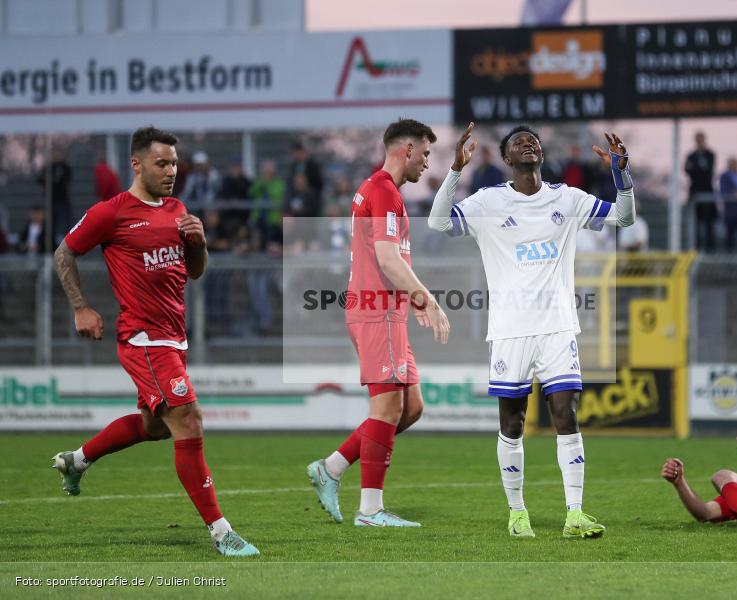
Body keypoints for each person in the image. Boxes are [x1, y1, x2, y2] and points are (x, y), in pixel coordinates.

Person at [51, 126, 258, 557]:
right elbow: (64, 253)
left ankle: (78, 459)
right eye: (162, 163)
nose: (171, 171)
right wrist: (80, 307)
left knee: (154, 426)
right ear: (137, 163)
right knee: (189, 420)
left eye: (175, 164)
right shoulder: (112, 213)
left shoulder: (177, 209)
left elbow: (195, 271)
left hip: (173, 339)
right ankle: (222, 531)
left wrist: (198, 244)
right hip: (143, 339)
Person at [429, 123, 636, 539]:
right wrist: (454, 172)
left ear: (541, 153)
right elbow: (437, 223)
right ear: (507, 159)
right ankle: (517, 512)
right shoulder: (488, 201)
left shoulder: (567, 198)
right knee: (513, 423)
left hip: (558, 327)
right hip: (509, 331)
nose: (528, 144)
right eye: (518, 143)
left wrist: (621, 174)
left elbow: (625, 218)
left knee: (567, 415)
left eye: (534, 141)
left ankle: (575, 514)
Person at [306, 118, 450, 528]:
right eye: (424, 154)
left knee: (411, 407)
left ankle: (331, 468)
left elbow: (389, 259)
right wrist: (427, 299)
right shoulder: (384, 191)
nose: (425, 164)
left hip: (387, 311)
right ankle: (370, 510)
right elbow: (387, 259)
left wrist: (412, 298)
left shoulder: (377, 189)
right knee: (388, 407)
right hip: (377, 312)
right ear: (406, 150)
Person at [685, 132, 717, 252]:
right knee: (695, 224)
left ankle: (711, 251)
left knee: (709, 223)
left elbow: (708, 171)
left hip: (707, 193)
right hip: (694, 193)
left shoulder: (710, 154)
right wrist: (699, 169)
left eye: (701, 139)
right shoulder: (691, 155)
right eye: (697, 140)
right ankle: (695, 250)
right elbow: (687, 170)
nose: (699, 142)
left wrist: (695, 169)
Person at [36, 146, 73, 245]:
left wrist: (56, 180)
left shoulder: (65, 167)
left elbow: (67, 179)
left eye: (58, 153)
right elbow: (40, 179)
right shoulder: (48, 167)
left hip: (63, 201)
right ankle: (51, 245)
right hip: (50, 201)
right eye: (54, 153)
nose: (56, 155)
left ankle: (67, 245)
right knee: (50, 225)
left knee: (65, 223)